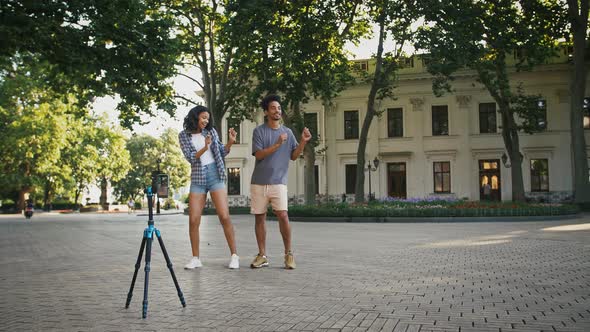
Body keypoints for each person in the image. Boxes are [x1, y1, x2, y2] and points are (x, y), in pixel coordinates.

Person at [249, 94, 312, 269]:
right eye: (273, 108)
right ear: (266, 112)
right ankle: (262, 255)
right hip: (259, 182)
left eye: (279, 108)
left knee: (283, 216)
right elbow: (259, 155)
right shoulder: (259, 131)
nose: (277, 111)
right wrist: (277, 145)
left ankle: (288, 254)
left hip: (278, 182)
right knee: (260, 218)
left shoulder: (288, 132)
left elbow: (293, 156)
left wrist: (303, 143)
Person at [178, 105, 240, 269]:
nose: (206, 121)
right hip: (198, 177)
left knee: (224, 216)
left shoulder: (211, 132)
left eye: (207, 118)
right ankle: (195, 258)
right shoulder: (184, 136)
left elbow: (221, 151)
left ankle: (234, 256)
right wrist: (205, 147)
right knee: (193, 220)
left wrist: (231, 142)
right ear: (195, 117)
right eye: (203, 117)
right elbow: (191, 158)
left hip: (214, 174)